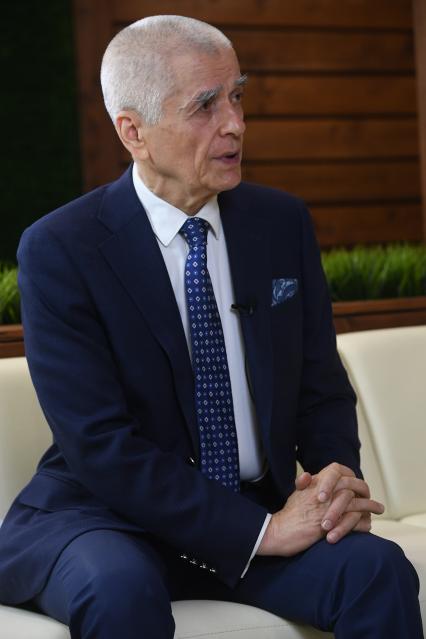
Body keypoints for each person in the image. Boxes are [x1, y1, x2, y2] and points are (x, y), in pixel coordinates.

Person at [0, 15, 422, 639]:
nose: (235, 124)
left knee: (376, 570)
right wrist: (260, 532)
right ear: (133, 132)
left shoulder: (281, 223)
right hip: (110, 519)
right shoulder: (61, 249)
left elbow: (320, 388)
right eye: (205, 106)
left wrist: (335, 477)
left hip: (257, 504)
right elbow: (100, 445)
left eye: (237, 96)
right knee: (118, 591)